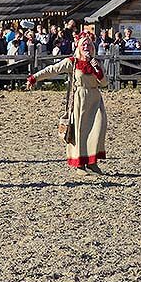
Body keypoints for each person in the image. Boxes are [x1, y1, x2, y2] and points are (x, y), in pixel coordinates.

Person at [27, 31, 108, 175]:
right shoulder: (73, 62)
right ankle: (80, 164)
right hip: (80, 99)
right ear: (78, 46)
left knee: (98, 129)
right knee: (80, 131)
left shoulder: (97, 63)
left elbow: (104, 83)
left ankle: (92, 162)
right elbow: (53, 69)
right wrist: (34, 78)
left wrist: (97, 70)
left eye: (89, 44)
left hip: (95, 99)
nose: (86, 47)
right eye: (83, 44)